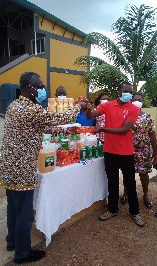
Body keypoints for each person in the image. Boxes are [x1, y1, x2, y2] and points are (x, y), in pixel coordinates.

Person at [0, 72, 87, 264]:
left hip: (9, 167)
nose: (42, 89)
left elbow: (40, 127)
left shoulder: (15, 105)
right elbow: (55, 118)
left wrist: (65, 130)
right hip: (21, 169)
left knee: (13, 208)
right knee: (24, 212)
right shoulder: (31, 109)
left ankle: (11, 242)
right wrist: (77, 108)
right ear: (28, 87)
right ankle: (22, 254)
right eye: (39, 86)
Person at [85, 81, 144, 227]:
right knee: (112, 182)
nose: (128, 94)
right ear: (119, 92)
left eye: (130, 91)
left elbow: (125, 130)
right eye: (126, 91)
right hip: (109, 151)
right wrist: (87, 109)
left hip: (126, 152)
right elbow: (90, 115)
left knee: (130, 183)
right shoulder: (108, 105)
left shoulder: (133, 108)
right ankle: (112, 209)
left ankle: (135, 212)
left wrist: (103, 129)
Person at [120, 92, 157, 208]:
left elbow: (152, 136)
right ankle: (125, 193)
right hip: (128, 150)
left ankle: (145, 195)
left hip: (144, 152)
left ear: (142, 102)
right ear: (130, 101)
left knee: (144, 175)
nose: (137, 101)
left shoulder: (147, 117)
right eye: (134, 99)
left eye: (139, 100)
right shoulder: (126, 115)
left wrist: (156, 153)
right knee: (127, 174)